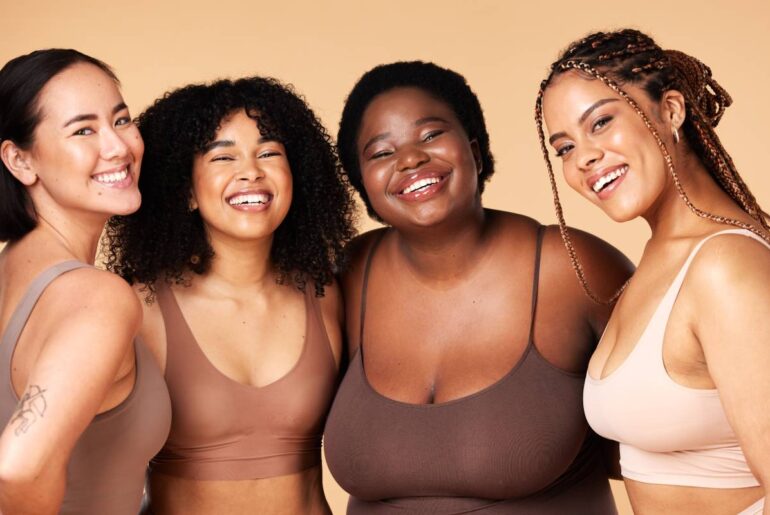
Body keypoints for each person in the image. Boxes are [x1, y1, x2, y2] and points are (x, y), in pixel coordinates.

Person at [323, 60, 634, 514]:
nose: (410, 159)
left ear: (475, 149)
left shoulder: (572, 267)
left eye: (430, 135)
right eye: (381, 152)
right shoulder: (346, 276)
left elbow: (671, 424)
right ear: (362, 183)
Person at [537, 29, 770, 515]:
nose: (584, 157)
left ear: (670, 111)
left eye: (601, 122)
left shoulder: (726, 266)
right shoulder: (655, 264)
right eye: (563, 147)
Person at [105, 76, 356, 515]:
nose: (251, 171)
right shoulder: (139, 308)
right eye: (224, 156)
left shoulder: (325, 294)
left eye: (269, 153)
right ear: (185, 190)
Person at [0, 49, 171, 514]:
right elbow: (16, 469)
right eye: (83, 130)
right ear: (20, 160)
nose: (118, 147)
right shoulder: (98, 298)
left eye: (121, 120)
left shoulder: (10, 271)